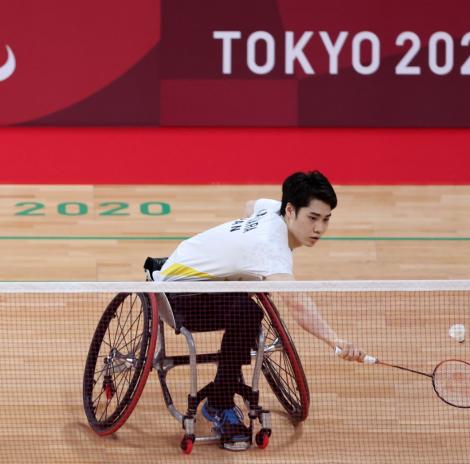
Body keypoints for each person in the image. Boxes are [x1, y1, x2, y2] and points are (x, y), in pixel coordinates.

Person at [153, 170, 364, 450]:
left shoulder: (273, 210)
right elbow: (299, 305)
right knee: (248, 314)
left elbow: (251, 205)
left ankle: (228, 372)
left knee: (245, 308)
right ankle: (218, 404)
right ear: (290, 210)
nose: (319, 229)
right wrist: (337, 341)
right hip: (178, 294)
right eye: (312, 218)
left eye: (326, 219)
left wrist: (240, 259)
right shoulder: (270, 249)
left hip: (187, 267)